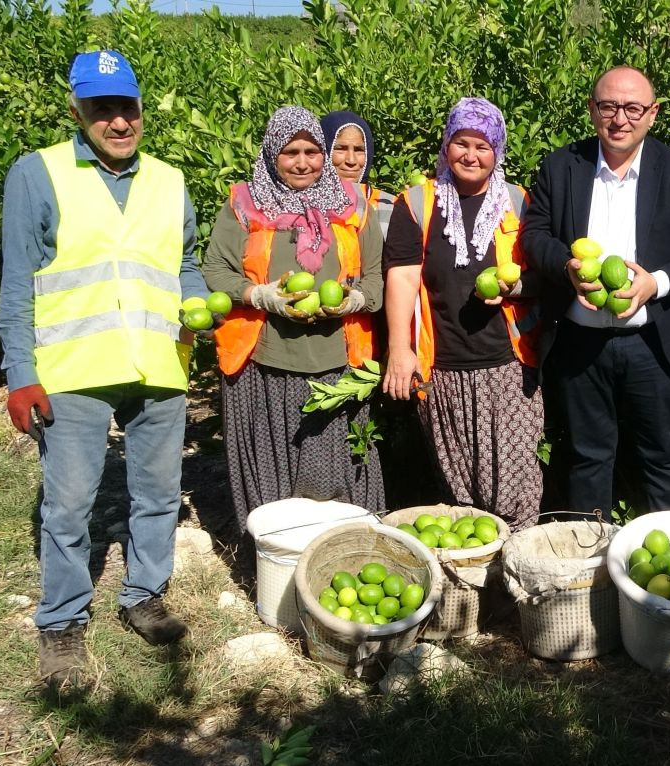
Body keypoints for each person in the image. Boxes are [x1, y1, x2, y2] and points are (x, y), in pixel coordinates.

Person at [0, 50, 208, 691]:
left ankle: (143, 595)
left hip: (157, 362)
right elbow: (17, 286)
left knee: (157, 494)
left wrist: (196, 306)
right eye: (101, 108)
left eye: (127, 107)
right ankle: (61, 623)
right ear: (77, 110)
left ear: (141, 107)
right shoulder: (37, 175)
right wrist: (20, 373)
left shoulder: (170, 182)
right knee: (68, 504)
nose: (118, 121)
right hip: (74, 367)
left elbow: (187, 262)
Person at [520, 66, 670, 518]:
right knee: (588, 459)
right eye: (609, 106)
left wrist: (655, 284)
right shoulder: (562, 165)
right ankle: (592, 570)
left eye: (633, 108)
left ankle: (669, 570)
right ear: (592, 110)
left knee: (664, 459)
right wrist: (566, 268)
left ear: (652, 114)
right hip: (580, 340)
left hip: (654, 341)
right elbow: (535, 235)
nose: (620, 118)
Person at [202, 106, 385, 529]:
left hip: (336, 359)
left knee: (336, 475)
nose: (302, 162)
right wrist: (261, 295)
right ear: (271, 154)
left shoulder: (353, 204)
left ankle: (340, 553)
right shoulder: (245, 203)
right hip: (264, 360)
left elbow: (376, 274)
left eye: (311, 151)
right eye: (290, 152)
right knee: (273, 474)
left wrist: (354, 300)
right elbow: (215, 269)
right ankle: (277, 560)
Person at [380, 98, 543, 529]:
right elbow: (401, 278)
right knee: (459, 491)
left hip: (509, 366)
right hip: (443, 367)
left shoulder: (519, 202)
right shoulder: (416, 203)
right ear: (447, 145)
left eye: (483, 147)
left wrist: (517, 288)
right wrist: (400, 350)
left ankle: (517, 577)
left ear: (498, 152)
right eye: (461, 143)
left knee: (517, 483)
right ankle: (475, 583)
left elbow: (546, 275)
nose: (471, 155)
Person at [320, 110, 397, 236]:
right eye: (341, 149)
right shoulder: (303, 204)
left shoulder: (389, 206)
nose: (351, 160)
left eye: (359, 150)